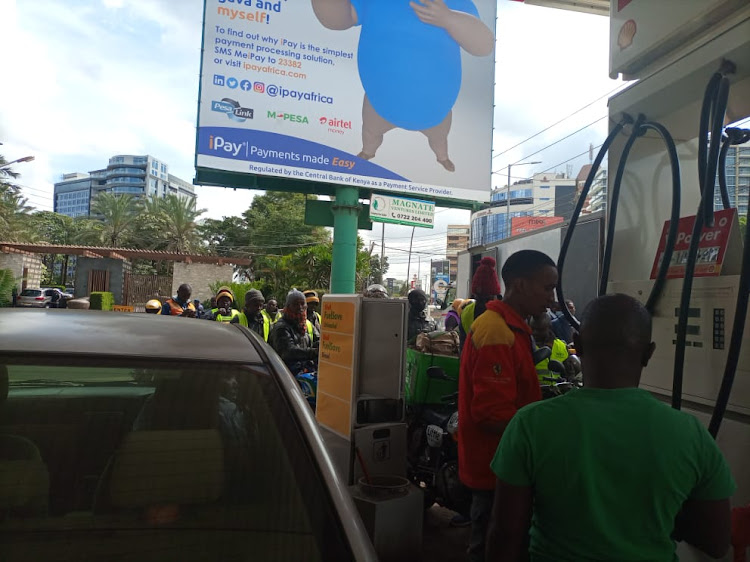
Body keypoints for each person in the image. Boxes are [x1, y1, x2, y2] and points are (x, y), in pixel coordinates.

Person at [487, 294, 735, 561]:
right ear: (648, 354)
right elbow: (717, 542)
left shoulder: (530, 424)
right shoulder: (690, 433)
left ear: (577, 345)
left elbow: (506, 534)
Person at [311, 0, 494, 172]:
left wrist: (449, 18)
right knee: (370, 132)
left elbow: (483, 46)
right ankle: (368, 151)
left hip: (434, 112)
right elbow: (338, 19)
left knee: (439, 139)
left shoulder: (454, 3)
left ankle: (442, 157)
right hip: (380, 105)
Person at [458, 249, 557, 562]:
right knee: (493, 548)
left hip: (506, 465)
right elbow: (491, 415)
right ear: (521, 284)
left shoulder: (513, 328)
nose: (552, 299)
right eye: (547, 288)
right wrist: (546, 434)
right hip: (496, 468)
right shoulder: (496, 330)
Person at [270, 290, 320, 372]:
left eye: (302, 304)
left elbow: (318, 340)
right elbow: (288, 352)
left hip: (305, 371)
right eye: (296, 304)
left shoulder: (307, 324)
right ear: (288, 307)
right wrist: (313, 352)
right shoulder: (281, 327)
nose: (300, 307)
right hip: (286, 376)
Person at [459, 257, 502, 353]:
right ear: (495, 295)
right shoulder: (504, 313)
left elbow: (463, 349)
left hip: (473, 364)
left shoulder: (466, 312)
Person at [529, 313, 569, 384]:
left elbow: (569, 372)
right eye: (532, 328)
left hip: (560, 391)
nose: (535, 333)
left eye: (539, 330)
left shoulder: (561, 346)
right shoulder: (526, 345)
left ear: (549, 328)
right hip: (535, 391)